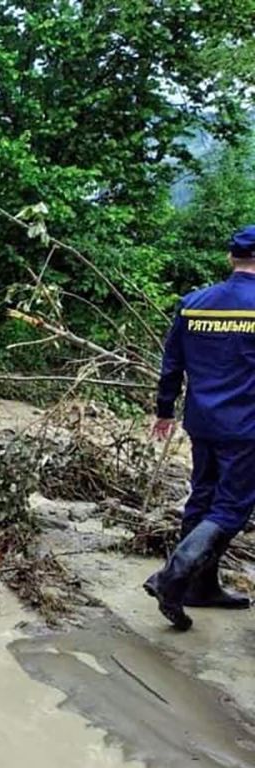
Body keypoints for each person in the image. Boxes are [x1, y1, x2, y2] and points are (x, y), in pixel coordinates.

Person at [144, 225, 255, 630]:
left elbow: (171, 363)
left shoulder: (194, 303)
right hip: (246, 426)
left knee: (203, 497)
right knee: (231, 507)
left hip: (202, 420)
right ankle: (172, 579)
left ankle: (202, 588)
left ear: (231, 258)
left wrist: (163, 410)